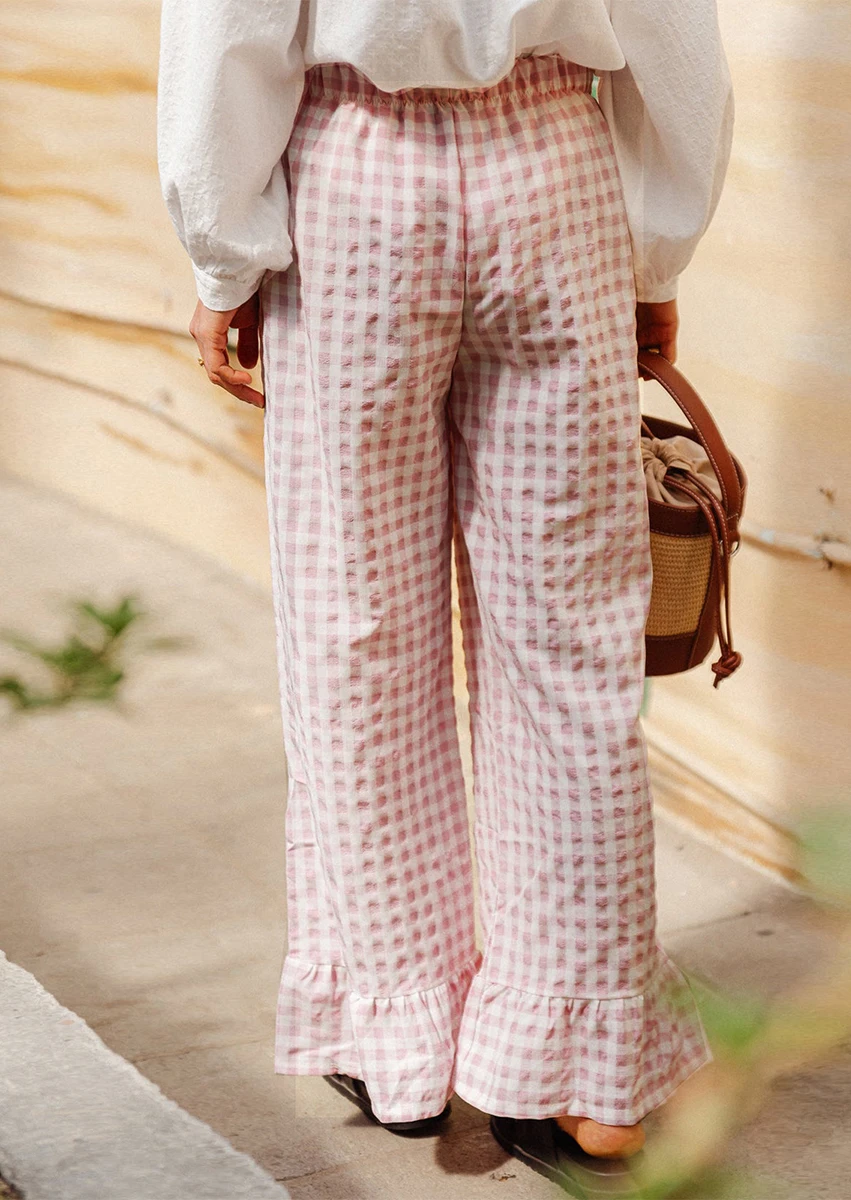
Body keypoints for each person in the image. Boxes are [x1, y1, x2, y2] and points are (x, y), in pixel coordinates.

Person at [157, 1, 734, 1192]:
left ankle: (396, 1036)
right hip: (552, 167)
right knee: (573, 650)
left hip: (356, 178)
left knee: (355, 626)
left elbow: (234, 26)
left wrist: (223, 256)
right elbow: (673, 30)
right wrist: (652, 248)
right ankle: (585, 1072)